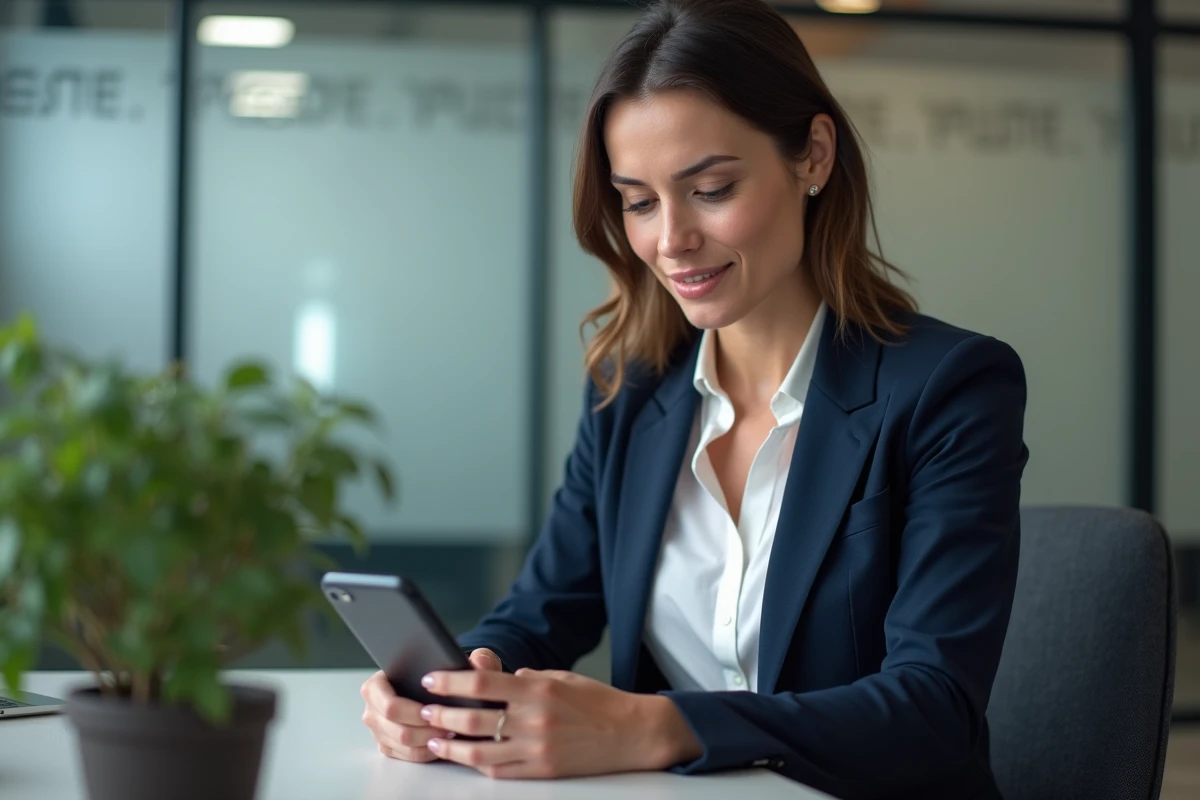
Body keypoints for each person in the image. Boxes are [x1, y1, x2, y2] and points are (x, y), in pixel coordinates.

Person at [360, 1, 1028, 797]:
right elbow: (542, 609)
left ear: (813, 156)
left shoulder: (949, 388)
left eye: (710, 188)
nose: (670, 240)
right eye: (639, 202)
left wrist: (658, 726)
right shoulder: (629, 392)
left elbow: (934, 712)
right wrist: (453, 688)